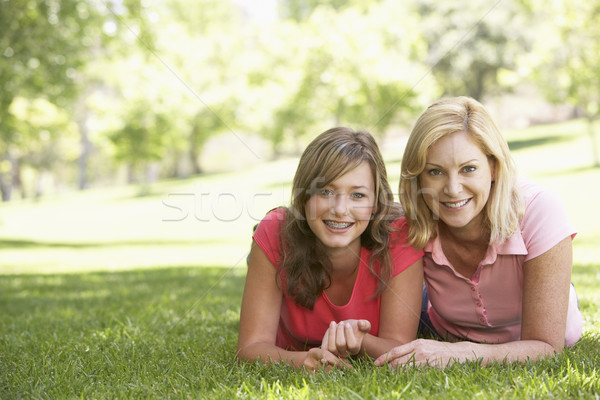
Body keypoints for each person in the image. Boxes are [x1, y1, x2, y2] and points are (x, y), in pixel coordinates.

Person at [374, 96, 584, 368]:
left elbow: (546, 347)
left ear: (494, 167)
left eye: (468, 169)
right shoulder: (412, 222)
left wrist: (458, 354)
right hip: (441, 317)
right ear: (418, 177)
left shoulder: (539, 209)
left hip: (522, 313)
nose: (452, 188)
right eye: (435, 172)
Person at [237, 127, 424, 371]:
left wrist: (359, 341)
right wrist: (303, 360)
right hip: (289, 242)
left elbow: (400, 350)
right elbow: (250, 348)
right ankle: (259, 257)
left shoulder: (399, 235)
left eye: (357, 195)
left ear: (376, 203)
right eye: (325, 191)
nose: (339, 209)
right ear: (304, 197)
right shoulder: (275, 231)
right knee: (272, 233)